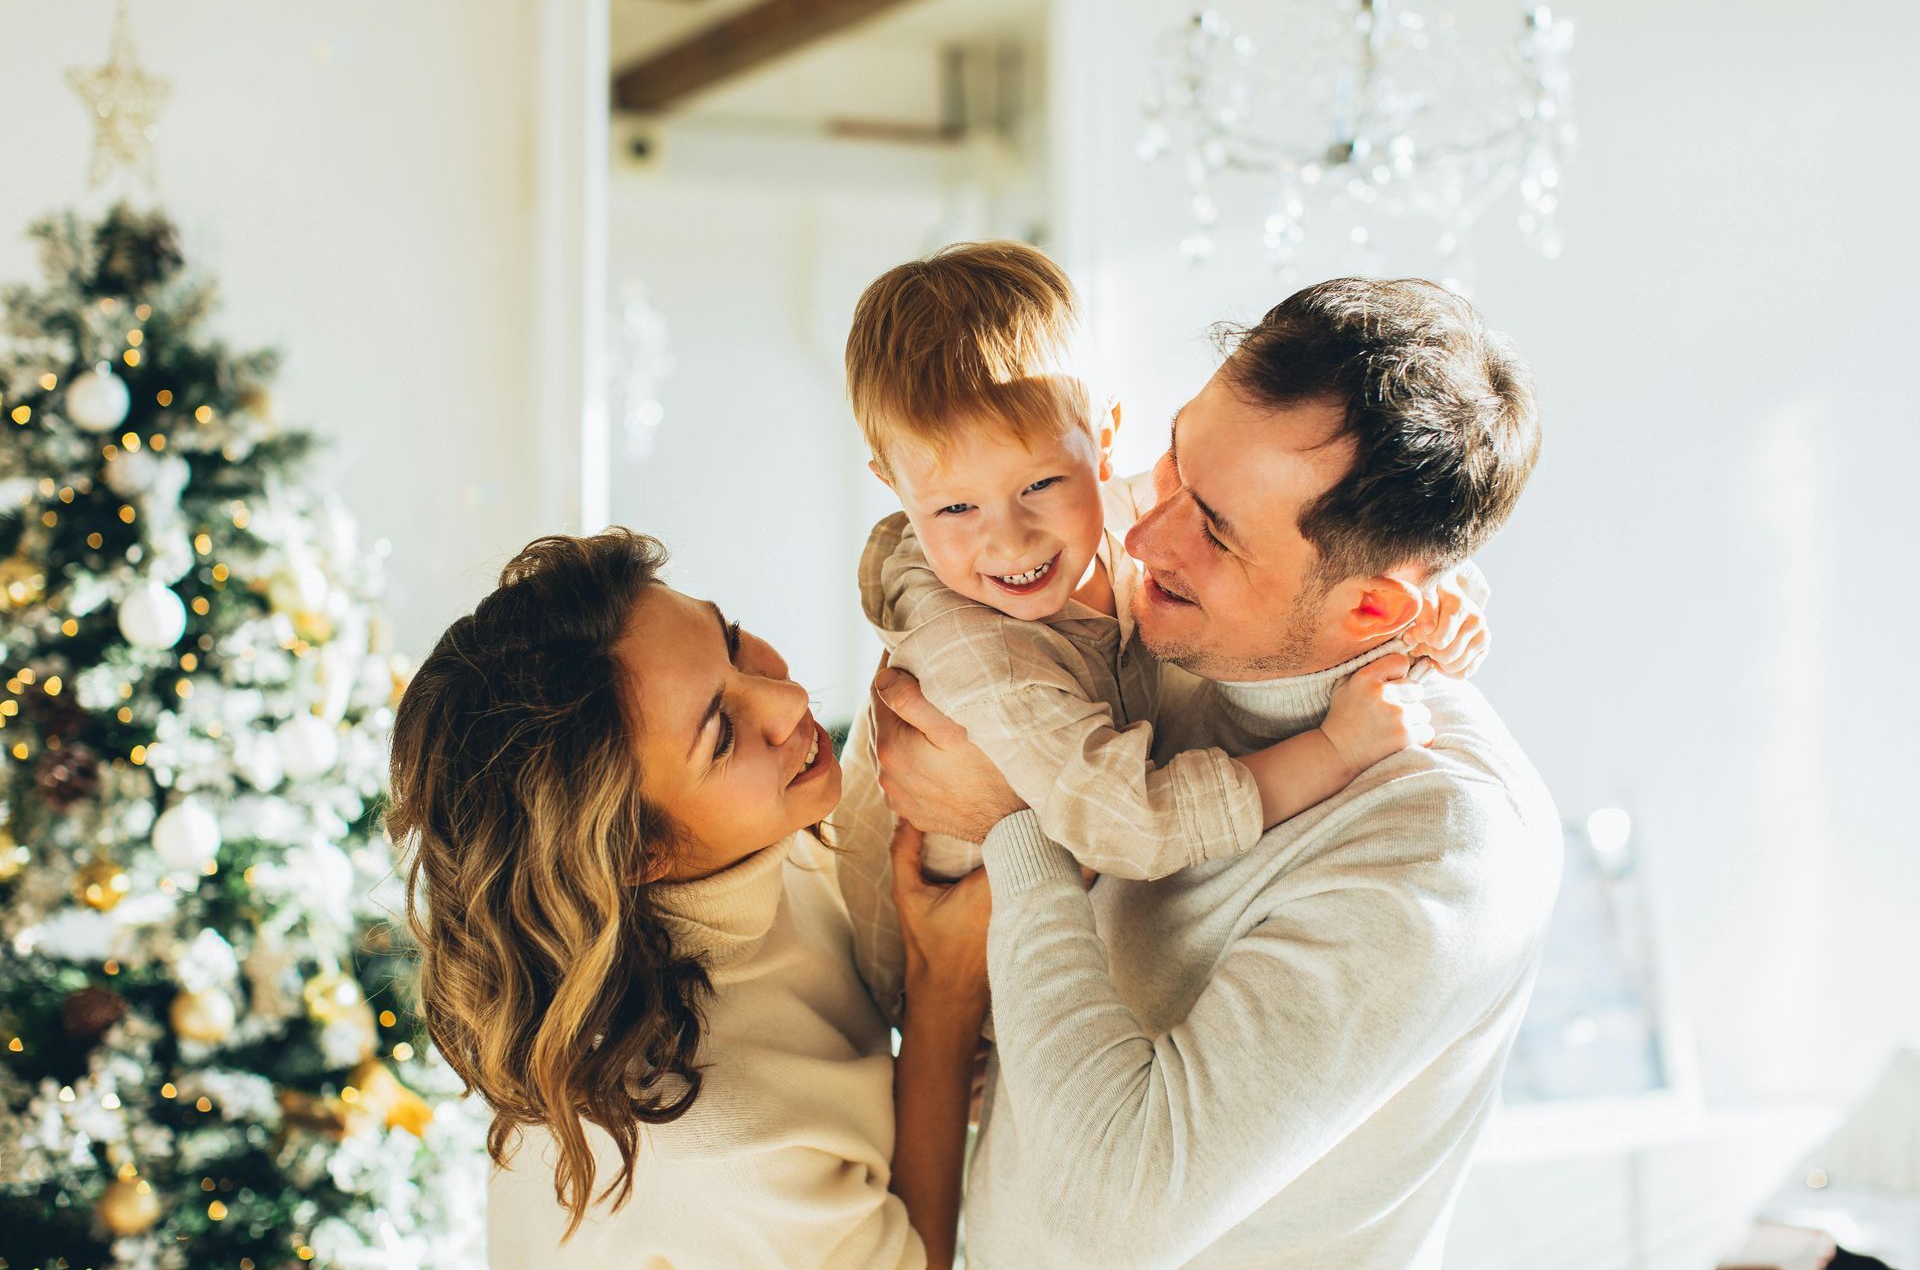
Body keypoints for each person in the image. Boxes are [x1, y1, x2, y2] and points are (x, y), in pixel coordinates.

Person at [871, 277, 1564, 1268]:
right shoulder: (1166, 629)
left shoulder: (1444, 844)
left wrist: (1008, 823)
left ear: (1371, 612)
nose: (1144, 537)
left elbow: (1110, 1206)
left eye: (1218, 529)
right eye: (1174, 462)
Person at [833, 242, 1488, 1024]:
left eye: (1040, 484)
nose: (1009, 542)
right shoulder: (973, 650)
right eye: (953, 510)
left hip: (1048, 928)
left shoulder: (1116, 509)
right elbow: (1127, 824)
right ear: (893, 485)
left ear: (1103, 438)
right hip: (932, 979)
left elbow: (1326, 536)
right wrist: (1335, 750)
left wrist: (1443, 592)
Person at [385, 530, 989, 1268]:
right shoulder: (714, 1141)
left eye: (732, 643)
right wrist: (944, 997)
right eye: (722, 735)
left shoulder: (743, 844)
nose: (789, 698)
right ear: (639, 853)